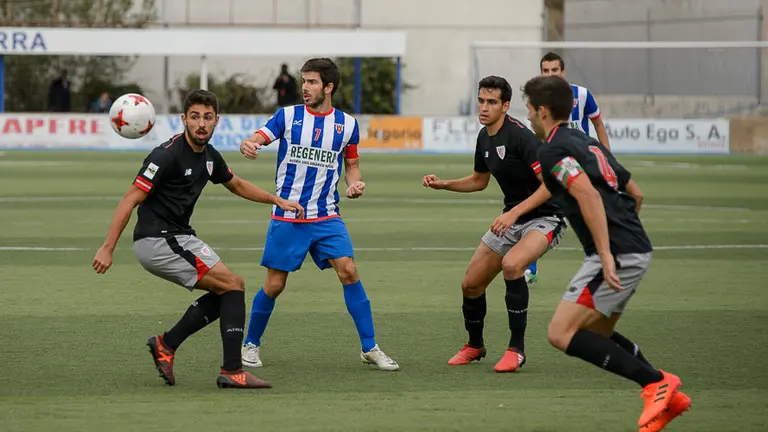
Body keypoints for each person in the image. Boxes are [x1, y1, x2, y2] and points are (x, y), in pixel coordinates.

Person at [92, 89, 305, 389]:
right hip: (157, 240)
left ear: (217, 120)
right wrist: (107, 247)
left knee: (231, 289)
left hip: (179, 237)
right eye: (195, 117)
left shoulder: (209, 156)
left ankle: (167, 344)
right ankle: (232, 371)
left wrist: (276, 200)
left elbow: (237, 184)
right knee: (232, 285)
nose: (201, 123)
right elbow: (130, 199)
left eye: (207, 117)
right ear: (183, 119)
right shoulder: (166, 155)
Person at [522, 75, 690, 431]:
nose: (529, 118)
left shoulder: (552, 149)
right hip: (636, 247)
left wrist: (606, 252)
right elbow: (636, 193)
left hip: (615, 253)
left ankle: (656, 383)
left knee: (560, 333)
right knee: (595, 333)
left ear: (543, 111)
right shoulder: (586, 141)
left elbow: (588, 195)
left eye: (529, 110)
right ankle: (666, 395)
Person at [238, 58, 399, 372]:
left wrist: (355, 184)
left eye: (312, 82)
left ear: (329, 87)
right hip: (289, 214)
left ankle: (370, 347)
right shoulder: (287, 116)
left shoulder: (348, 125)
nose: (305, 88)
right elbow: (259, 136)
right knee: (275, 284)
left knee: (349, 270)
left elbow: (351, 167)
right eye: (304, 81)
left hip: (326, 215)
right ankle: (251, 344)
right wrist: (250, 144)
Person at [422, 76, 566, 372]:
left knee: (513, 266)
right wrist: (444, 184)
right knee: (471, 284)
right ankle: (475, 345)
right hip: (512, 217)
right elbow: (479, 180)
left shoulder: (521, 137)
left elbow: (550, 185)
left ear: (506, 106)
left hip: (546, 217)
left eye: (491, 102)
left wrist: (513, 214)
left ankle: (517, 349)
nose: (484, 107)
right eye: (481, 101)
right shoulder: (484, 137)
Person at [540, 52, 610, 150]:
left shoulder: (582, 94)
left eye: (555, 70)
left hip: (582, 155)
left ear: (562, 72)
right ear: (541, 74)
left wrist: (607, 154)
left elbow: (598, 124)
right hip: (555, 156)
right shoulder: (537, 99)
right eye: (546, 71)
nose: (550, 74)